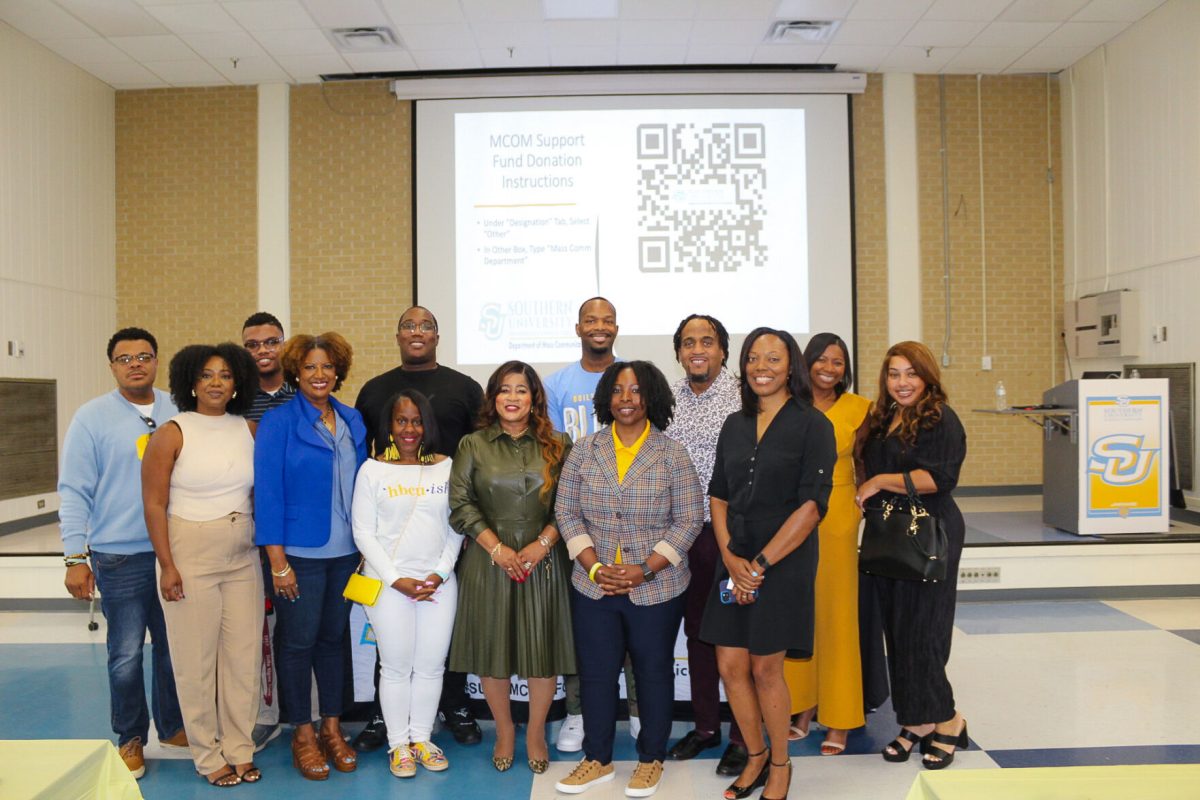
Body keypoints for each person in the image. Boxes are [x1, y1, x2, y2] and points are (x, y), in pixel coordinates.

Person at [554, 361, 704, 798]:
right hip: (594, 585)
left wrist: (645, 569)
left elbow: (689, 519)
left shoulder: (672, 453)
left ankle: (650, 759)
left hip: (656, 587)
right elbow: (567, 512)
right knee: (597, 674)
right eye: (618, 390)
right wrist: (595, 567)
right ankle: (597, 760)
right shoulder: (584, 450)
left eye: (636, 390)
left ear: (650, 397)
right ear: (606, 399)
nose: (626, 398)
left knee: (654, 673)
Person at [699, 328, 835, 800]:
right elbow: (717, 494)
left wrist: (756, 565)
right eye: (753, 358)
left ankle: (780, 764)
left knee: (765, 668)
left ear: (791, 366)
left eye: (773, 358)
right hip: (734, 554)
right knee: (730, 662)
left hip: (784, 560)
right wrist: (730, 555)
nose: (762, 366)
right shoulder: (734, 424)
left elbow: (813, 506)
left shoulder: (812, 424)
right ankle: (754, 755)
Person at [58, 327, 187, 779]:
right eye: (125, 358)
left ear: (156, 361)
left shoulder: (179, 407)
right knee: (126, 653)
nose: (136, 363)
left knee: (175, 647)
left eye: (144, 356)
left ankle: (173, 726)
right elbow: (73, 490)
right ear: (112, 365)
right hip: (119, 557)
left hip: (174, 552)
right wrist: (76, 557)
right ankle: (131, 736)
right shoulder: (91, 418)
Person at [354, 305, 484, 749]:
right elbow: (363, 459)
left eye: (425, 325)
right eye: (408, 324)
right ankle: (385, 724)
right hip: (390, 550)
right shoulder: (374, 391)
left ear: (437, 335)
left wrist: (447, 562)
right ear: (397, 334)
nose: (416, 331)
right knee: (392, 652)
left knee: (438, 650)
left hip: (445, 540)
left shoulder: (465, 388)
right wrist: (390, 574)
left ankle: (454, 709)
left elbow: (478, 451)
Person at [141, 343, 262, 786]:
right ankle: (208, 755)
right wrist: (167, 566)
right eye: (207, 375)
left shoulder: (248, 429)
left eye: (225, 375)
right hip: (189, 551)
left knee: (243, 658)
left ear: (237, 384)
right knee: (195, 662)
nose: (216, 383)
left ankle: (240, 747)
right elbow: (154, 504)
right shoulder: (172, 432)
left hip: (242, 552)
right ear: (190, 382)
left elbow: (255, 493)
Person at [447, 361, 575, 775]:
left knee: (542, 651)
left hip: (545, 559)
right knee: (492, 650)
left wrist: (542, 544)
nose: (513, 398)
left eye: (522, 390)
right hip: (488, 559)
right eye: (505, 390)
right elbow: (461, 504)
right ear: (493, 397)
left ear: (534, 398)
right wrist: (497, 548)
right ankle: (504, 730)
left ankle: (536, 731)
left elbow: (570, 506)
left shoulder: (559, 443)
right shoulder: (473, 444)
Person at [254, 332, 369, 781]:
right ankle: (302, 733)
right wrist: (277, 562)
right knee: (297, 645)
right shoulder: (279, 423)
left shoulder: (353, 419)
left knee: (334, 641)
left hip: (346, 552)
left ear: (337, 371)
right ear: (295, 374)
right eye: (309, 368)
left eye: (326, 367)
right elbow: (267, 494)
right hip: (298, 554)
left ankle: (333, 729)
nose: (319, 375)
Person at [856, 341, 969, 769]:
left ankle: (948, 719)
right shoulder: (884, 416)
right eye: (893, 374)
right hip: (889, 534)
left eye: (910, 374)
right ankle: (916, 722)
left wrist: (881, 481)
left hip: (930, 533)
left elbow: (939, 478)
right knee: (898, 633)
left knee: (924, 633)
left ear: (927, 376)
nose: (901, 383)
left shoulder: (940, 417)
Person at [543, 296, 639, 751]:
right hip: (578, 519)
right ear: (577, 327)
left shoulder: (633, 377)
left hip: (633, 519)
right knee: (585, 624)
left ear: (616, 327)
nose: (599, 327)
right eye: (590, 320)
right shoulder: (557, 384)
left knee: (638, 618)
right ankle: (578, 713)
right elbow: (550, 452)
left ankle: (639, 710)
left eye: (607, 320)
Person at [352, 389, 463, 779]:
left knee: (432, 667)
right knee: (397, 668)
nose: (409, 429)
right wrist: (397, 579)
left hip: (438, 584)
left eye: (417, 420)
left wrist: (439, 574)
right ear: (389, 426)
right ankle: (398, 745)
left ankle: (422, 739)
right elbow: (363, 533)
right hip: (388, 586)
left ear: (427, 425)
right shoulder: (372, 469)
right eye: (401, 421)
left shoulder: (447, 467)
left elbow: (457, 528)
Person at [661, 314, 749, 776]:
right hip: (680, 534)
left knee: (734, 635)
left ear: (722, 350)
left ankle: (742, 734)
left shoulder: (743, 397)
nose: (698, 349)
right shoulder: (667, 399)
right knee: (696, 632)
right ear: (678, 351)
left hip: (730, 535)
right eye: (689, 342)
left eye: (707, 341)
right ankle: (705, 726)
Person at [782, 333, 871, 755]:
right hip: (793, 514)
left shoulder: (860, 409)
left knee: (836, 617)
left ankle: (839, 718)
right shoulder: (789, 404)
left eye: (838, 362)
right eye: (821, 359)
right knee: (799, 613)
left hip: (836, 517)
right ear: (807, 362)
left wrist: (866, 496)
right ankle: (802, 707)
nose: (829, 369)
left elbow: (869, 463)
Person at [241, 311, 295, 751]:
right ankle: (265, 715)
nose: (262, 351)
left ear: (283, 344)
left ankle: (308, 716)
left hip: (305, 534)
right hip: (252, 535)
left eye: (270, 342)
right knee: (260, 629)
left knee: (304, 629)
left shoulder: (307, 394)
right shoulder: (235, 401)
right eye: (253, 345)